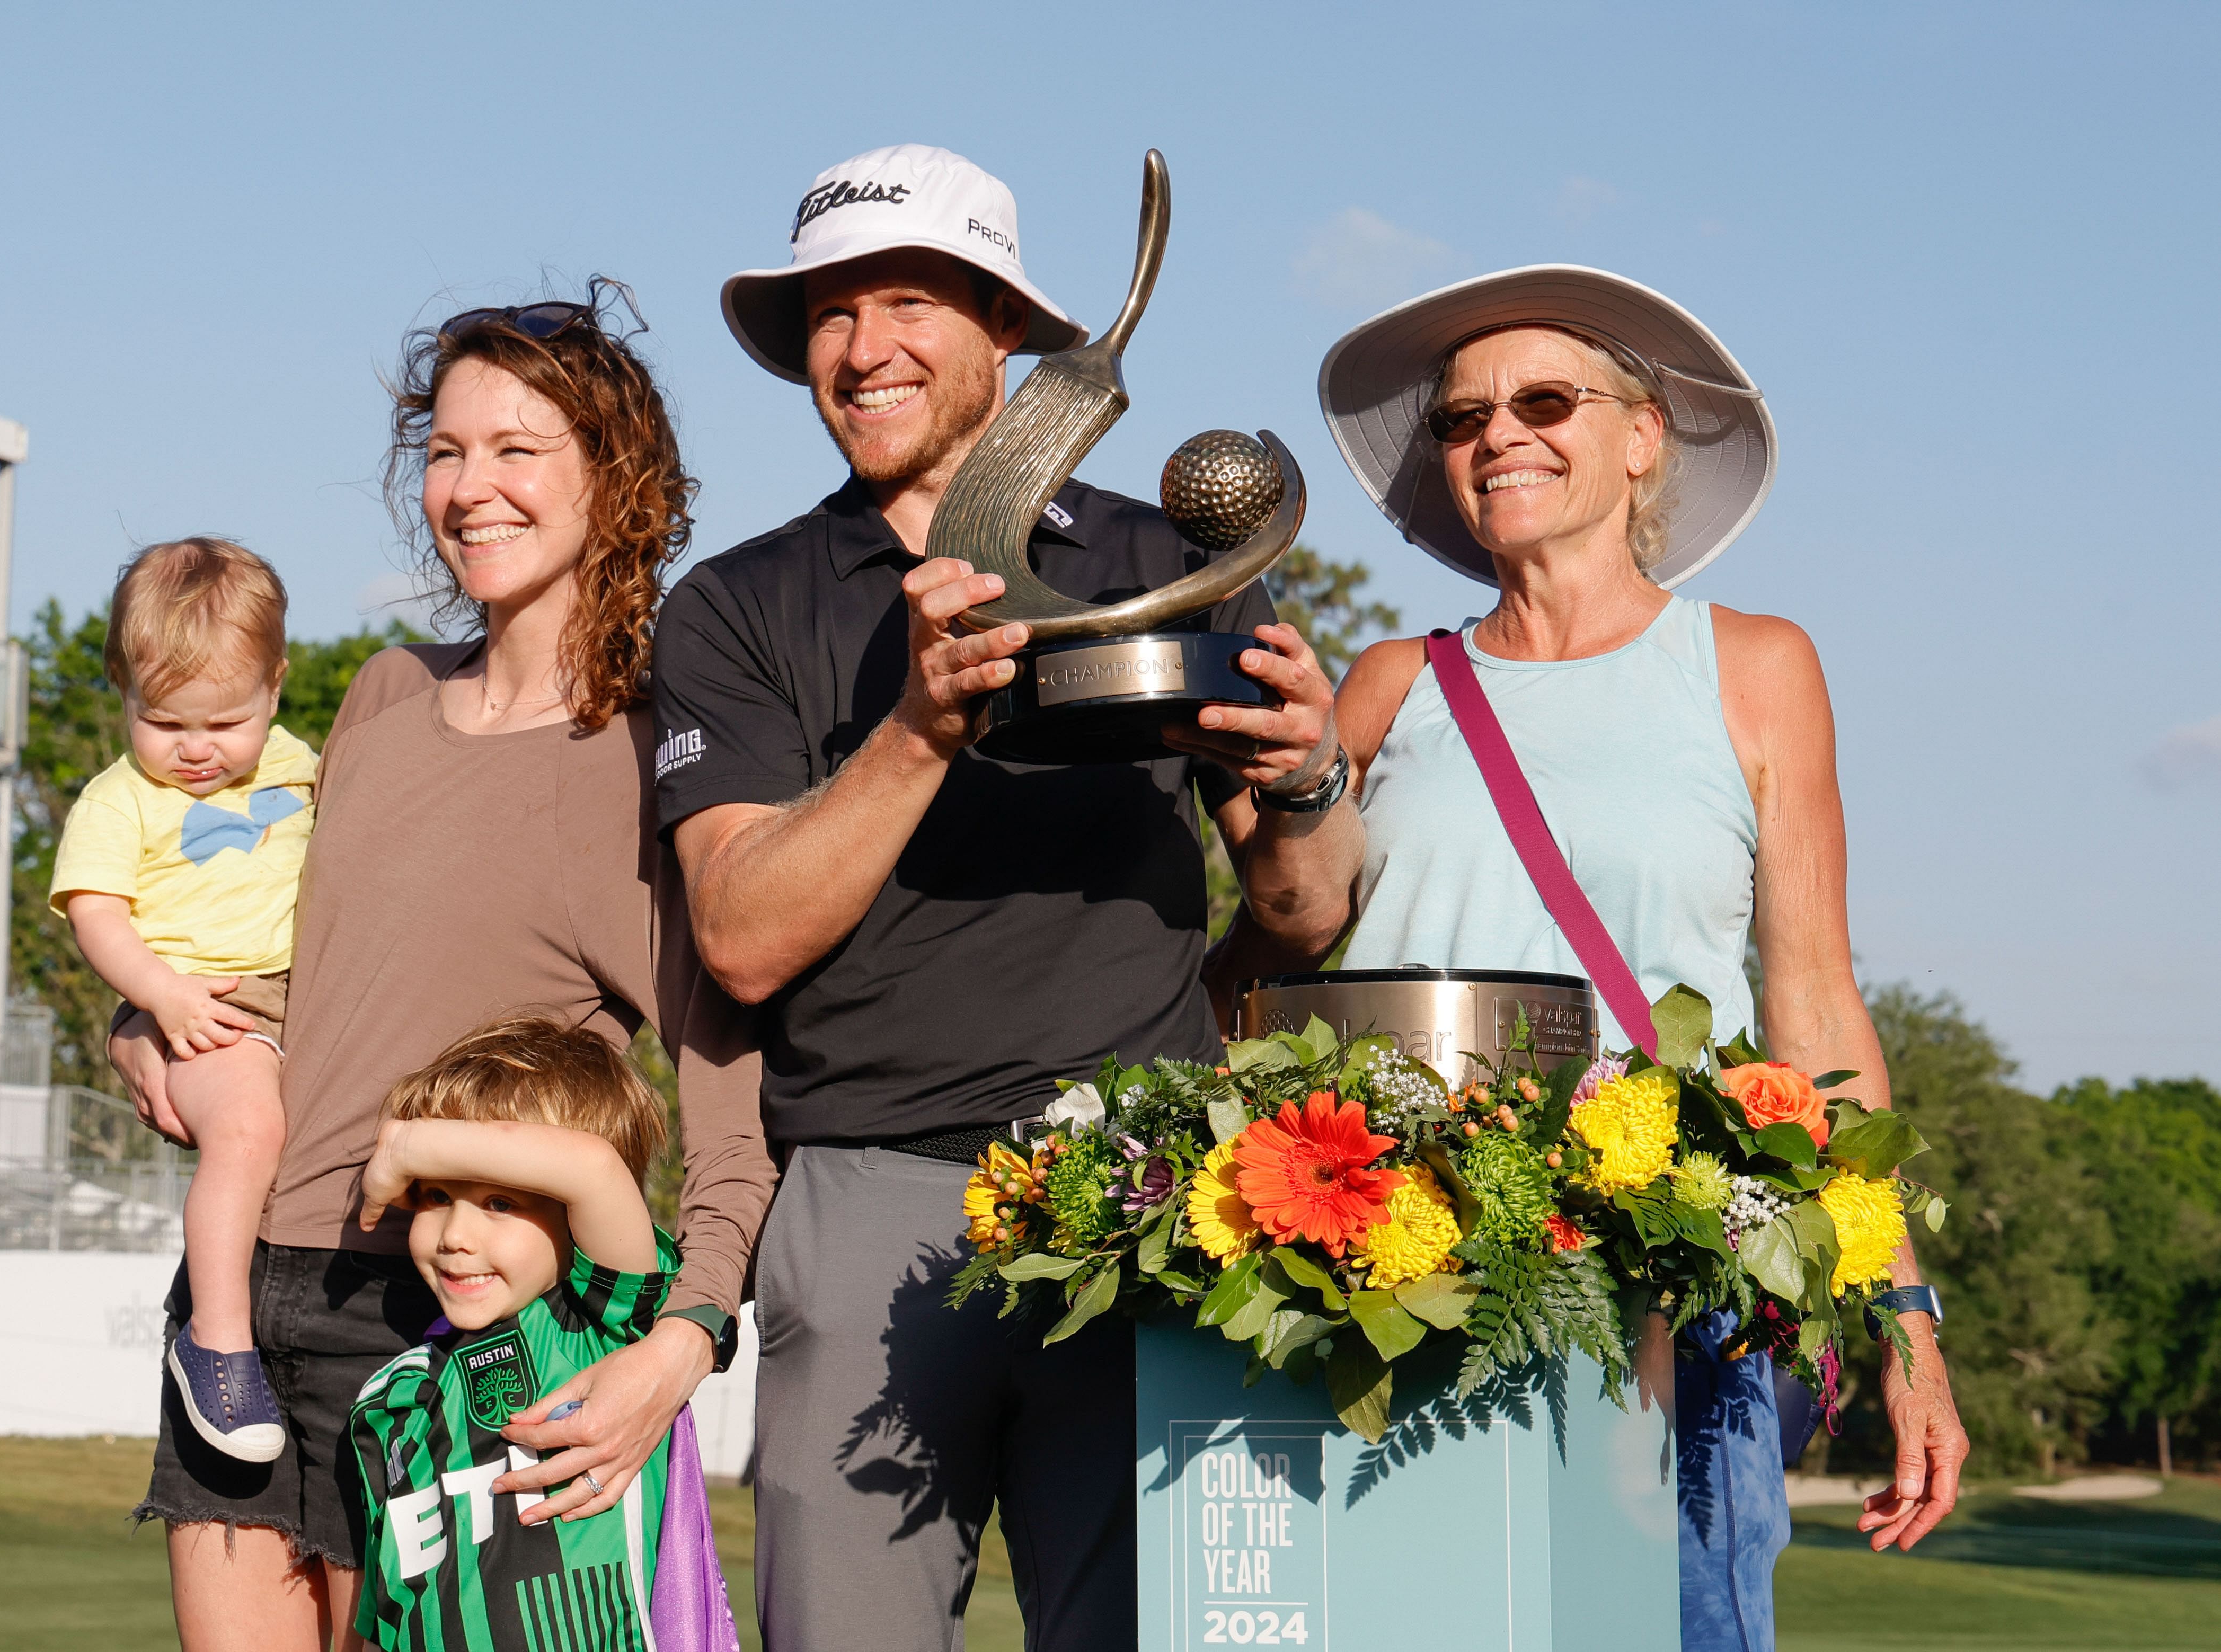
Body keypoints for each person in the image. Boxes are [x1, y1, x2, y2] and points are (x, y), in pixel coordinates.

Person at [643, 144, 1360, 1652]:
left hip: (1146, 1199)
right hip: (865, 1191)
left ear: (1007, 335)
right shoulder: (735, 604)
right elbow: (742, 933)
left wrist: (1303, 776)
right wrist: (917, 726)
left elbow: (1301, 915)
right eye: (830, 313)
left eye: (909, 300)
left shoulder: (1169, 561)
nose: (863, 347)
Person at [1313, 265, 1970, 1648]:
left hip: (1674, 1293)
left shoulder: (1751, 668)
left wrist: (1901, 1314)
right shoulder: (1383, 688)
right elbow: (1279, 959)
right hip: (1404, 1294)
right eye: (1462, 416)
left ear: (1638, 433)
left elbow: (1812, 1010)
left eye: (1543, 398)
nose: (1498, 433)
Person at [111, 283, 774, 1652]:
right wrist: (145, 1016)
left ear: (617, 476)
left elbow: (731, 1116)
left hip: (435, 1311)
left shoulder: (652, 759)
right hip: (242, 1304)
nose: (470, 488)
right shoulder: (383, 696)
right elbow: (289, 957)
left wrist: (684, 1335)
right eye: (447, 450)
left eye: (516, 449)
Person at [348, 1013, 738, 1652]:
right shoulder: (387, 1402)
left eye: (502, 1203)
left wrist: (408, 1147)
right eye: (438, 1195)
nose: (455, 1235)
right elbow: (384, 1605)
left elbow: (595, 1169)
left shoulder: (606, 1331)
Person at [54, 537, 312, 1464]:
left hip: (305, 1000)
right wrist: (161, 998)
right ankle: (218, 1342)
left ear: (275, 686)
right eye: (165, 724)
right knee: (246, 1132)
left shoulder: (299, 766)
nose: (197, 750)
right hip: (206, 1003)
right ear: (122, 686)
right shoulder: (119, 800)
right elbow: (97, 915)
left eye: (225, 722)